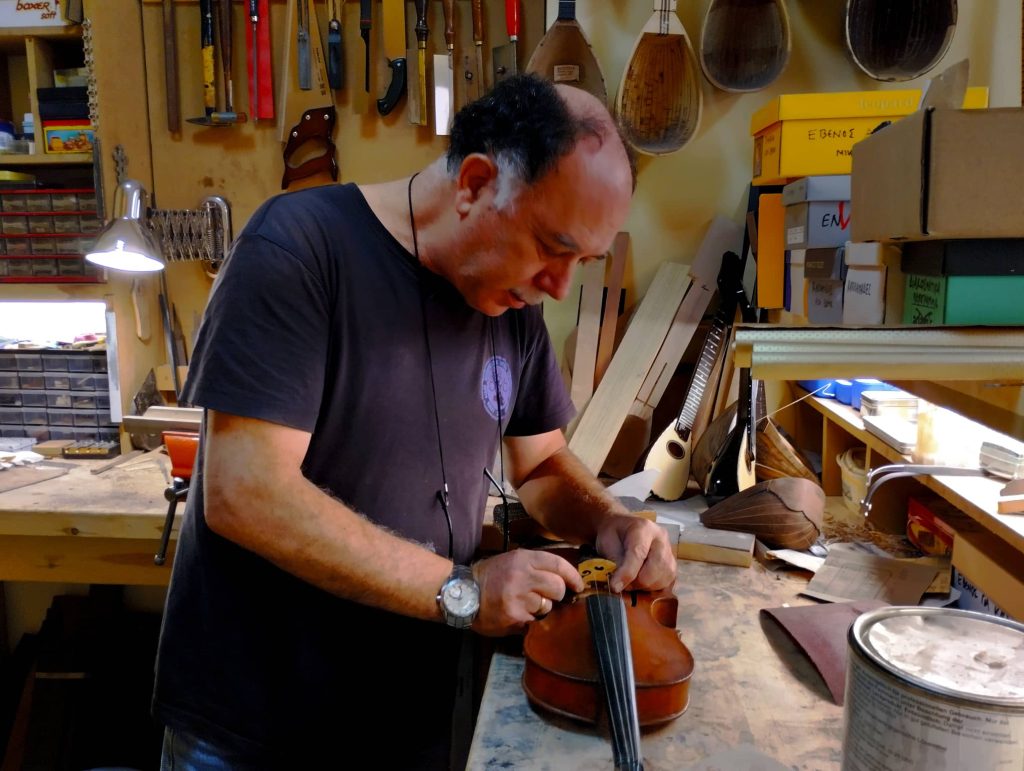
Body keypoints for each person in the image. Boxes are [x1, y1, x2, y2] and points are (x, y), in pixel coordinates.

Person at [153, 73, 676, 769]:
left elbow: (541, 464)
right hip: (259, 729)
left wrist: (609, 519)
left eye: (583, 261)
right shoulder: (299, 249)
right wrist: (464, 591)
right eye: (553, 247)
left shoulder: (512, 304)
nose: (560, 287)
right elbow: (245, 492)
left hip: (409, 718)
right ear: (475, 184)